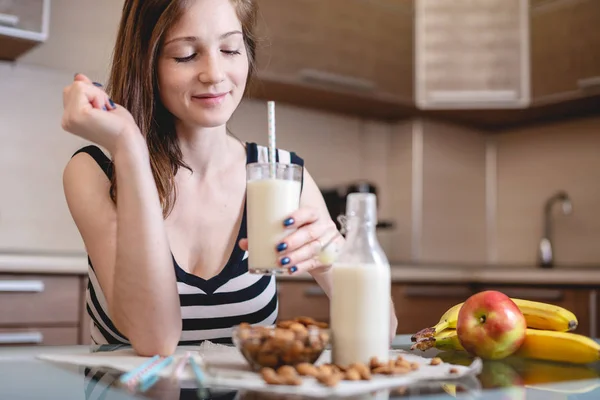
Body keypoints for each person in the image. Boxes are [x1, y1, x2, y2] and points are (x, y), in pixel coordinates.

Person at [61, 0, 398, 356]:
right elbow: (154, 339)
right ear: (147, 62)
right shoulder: (97, 170)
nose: (214, 73)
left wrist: (330, 254)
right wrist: (129, 145)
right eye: (186, 55)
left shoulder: (281, 174)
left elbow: (382, 332)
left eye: (229, 49)